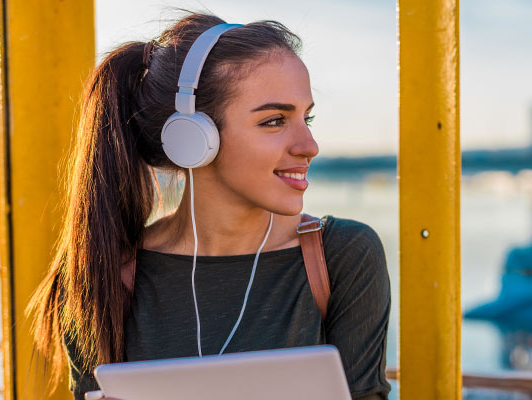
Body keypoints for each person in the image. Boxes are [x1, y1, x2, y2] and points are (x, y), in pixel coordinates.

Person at [27, 12, 392, 400]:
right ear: (193, 136)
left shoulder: (342, 256)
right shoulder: (102, 273)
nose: (309, 146)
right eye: (274, 121)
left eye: (307, 117)